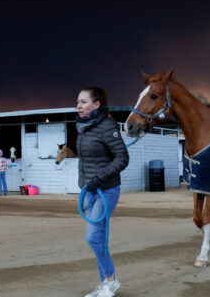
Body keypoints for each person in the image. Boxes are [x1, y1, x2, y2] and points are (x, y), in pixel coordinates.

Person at [77, 87, 129, 297]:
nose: (78, 106)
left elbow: (122, 158)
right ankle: (105, 285)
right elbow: (86, 161)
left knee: (92, 237)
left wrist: (100, 177)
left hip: (106, 190)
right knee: (99, 237)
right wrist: (84, 184)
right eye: (77, 102)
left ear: (96, 104)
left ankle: (111, 279)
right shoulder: (83, 126)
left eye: (83, 102)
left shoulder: (108, 127)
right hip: (89, 190)